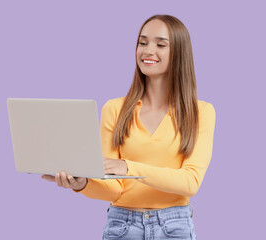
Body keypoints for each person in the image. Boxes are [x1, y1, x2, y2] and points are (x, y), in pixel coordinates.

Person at [42, 14, 216, 240]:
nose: (147, 50)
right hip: (122, 226)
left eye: (160, 44)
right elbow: (114, 187)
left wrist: (128, 167)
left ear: (179, 53)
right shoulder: (115, 109)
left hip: (174, 228)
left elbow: (190, 182)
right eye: (142, 43)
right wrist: (83, 183)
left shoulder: (201, 111)